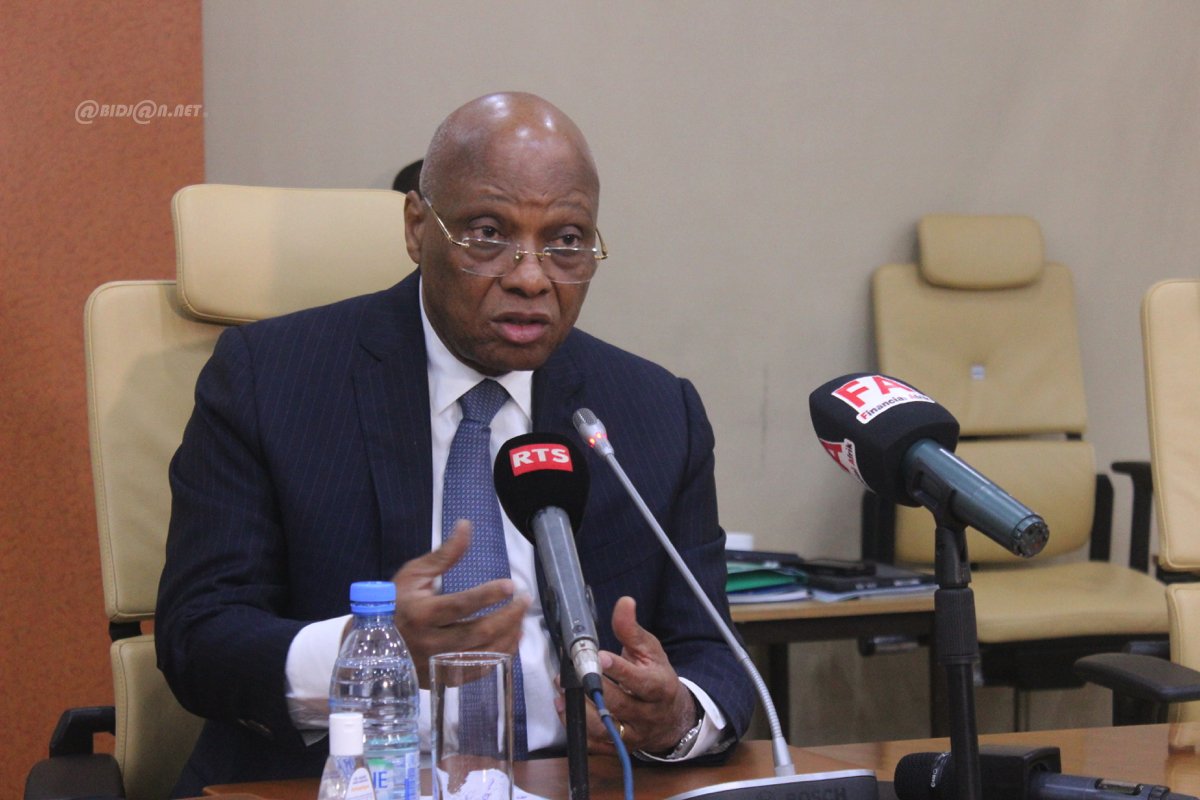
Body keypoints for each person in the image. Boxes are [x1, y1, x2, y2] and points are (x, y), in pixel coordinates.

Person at [156, 92, 755, 795]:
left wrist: (676, 717)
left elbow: (713, 652)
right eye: (488, 233)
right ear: (418, 228)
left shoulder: (652, 411)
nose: (531, 277)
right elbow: (198, 638)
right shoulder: (270, 379)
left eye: (566, 241)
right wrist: (367, 654)